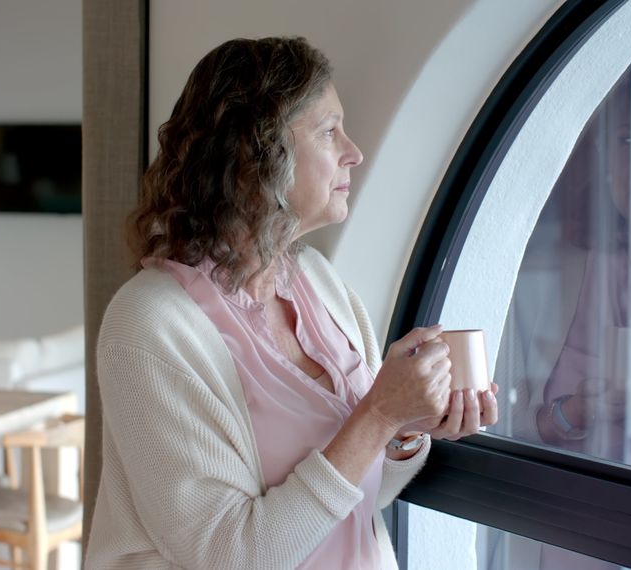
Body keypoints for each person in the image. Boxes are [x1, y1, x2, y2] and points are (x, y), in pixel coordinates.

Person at [86, 37, 499, 569]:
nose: (354, 151)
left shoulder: (317, 281)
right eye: (329, 131)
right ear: (254, 156)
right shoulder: (147, 325)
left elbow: (354, 499)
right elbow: (229, 555)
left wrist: (405, 428)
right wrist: (378, 414)